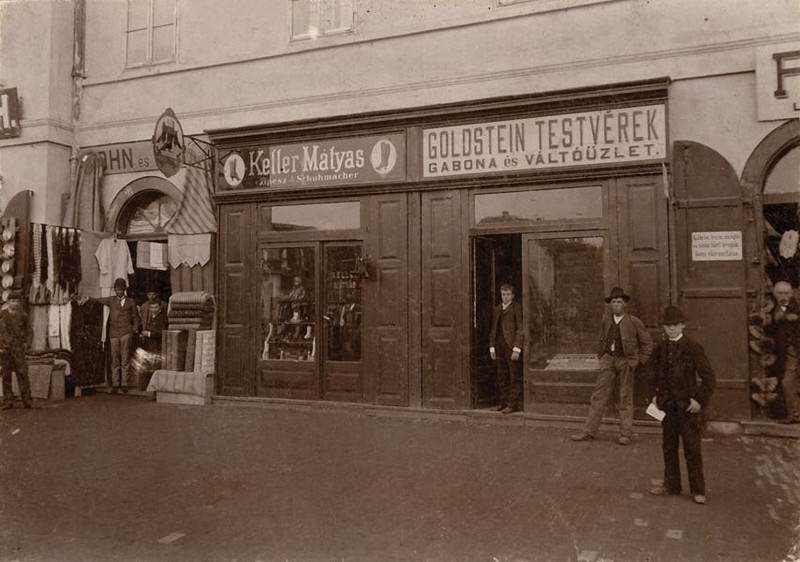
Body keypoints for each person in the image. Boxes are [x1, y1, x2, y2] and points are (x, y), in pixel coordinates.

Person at [648, 306, 716, 505]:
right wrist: (654, 395)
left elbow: (709, 377)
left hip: (687, 407)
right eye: (668, 325)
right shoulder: (660, 347)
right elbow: (654, 374)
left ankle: (698, 490)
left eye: (676, 325)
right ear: (663, 327)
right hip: (667, 406)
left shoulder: (692, 346)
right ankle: (672, 485)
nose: (672, 329)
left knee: (692, 448)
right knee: (668, 446)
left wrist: (699, 401)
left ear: (683, 325)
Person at [571, 287, 653, 445]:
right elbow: (601, 339)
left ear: (624, 305)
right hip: (608, 360)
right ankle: (588, 431)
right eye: (613, 302)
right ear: (610, 305)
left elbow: (647, 344)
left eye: (619, 302)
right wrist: (601, 357)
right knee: (598, 395)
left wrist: (637, 361)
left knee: (625, 397)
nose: (616, 304)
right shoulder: (606, 320)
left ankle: (625, 434)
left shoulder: (634, 322)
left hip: (625, 361)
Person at [80, 278, 140, 394]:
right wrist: (87, 298)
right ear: (114, 289)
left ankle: (124, 384)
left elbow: (135, 317)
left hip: (126, 332)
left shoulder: (131, 301)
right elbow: (98, 301)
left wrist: (134, 329)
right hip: (113, 333)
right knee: (115, 360)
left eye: (122, 289)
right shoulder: (111, 300)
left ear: (125, 290)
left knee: (125, 359)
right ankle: (116, 384)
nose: (120, 291)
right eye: (118, 289)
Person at [765, 281, 800, 424]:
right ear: (774, 294)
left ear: (791, 294)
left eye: (786, 293)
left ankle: (795, 415)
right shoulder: (773, 309)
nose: (783, 296)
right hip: (785, 353)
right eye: (780, 293)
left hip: (795, 350)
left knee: (787, 382)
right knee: (786, 382)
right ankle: (794, 414)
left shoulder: (796, 306)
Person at [489, 283, 524, 414]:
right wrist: (492, 347)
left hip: (511, 346)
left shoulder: (517, 308)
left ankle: (512, 404)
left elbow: (521, 329)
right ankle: (503, 403)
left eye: (508, 294)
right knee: (501, 375)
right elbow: (493, 329)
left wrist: (517, 348)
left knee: (514, 375)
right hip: (499, 346)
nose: (506, 297)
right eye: (503, 294)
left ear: (513, 295)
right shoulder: (497, 309)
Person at [0, 291, 33, 409]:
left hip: (19, 349)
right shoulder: (2, 315)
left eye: (17, 301)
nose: (15, 304)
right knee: (6, 375)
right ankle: (8, 401)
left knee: (22, 373)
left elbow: (30, 331)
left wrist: (27, 344)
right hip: (5, 349)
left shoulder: (23, 315)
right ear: (8, 302)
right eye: (13, 301)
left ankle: (27, 400)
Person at [137, 288, 168, 388]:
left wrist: (149, 334)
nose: (153, 309)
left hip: (157, 345)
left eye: (155, 307)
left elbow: (162, 332)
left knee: (155, 367)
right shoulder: (153, 317)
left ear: (159, 307)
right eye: (152, 308)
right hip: (150, 345)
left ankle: (154, 389)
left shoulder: (162, 318)